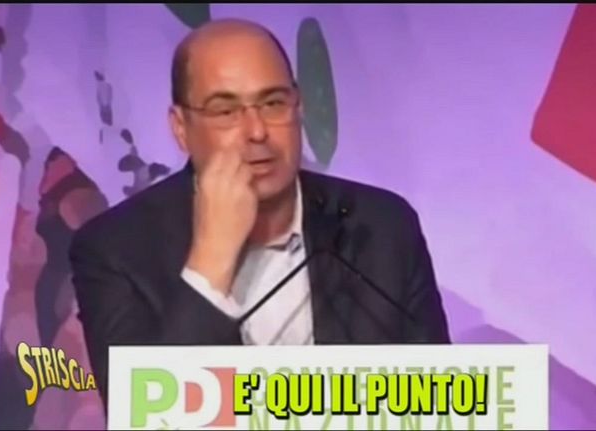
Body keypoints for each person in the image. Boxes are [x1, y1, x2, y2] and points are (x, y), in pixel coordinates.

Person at [69, 18, 450, 404]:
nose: (256, 131)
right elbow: (145, 416)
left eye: (273, 103)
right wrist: (211, 259)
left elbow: (441, 403)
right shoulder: (114, 250)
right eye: (225, 111)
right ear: (181, 128)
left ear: (298, 107)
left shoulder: (381, 226)